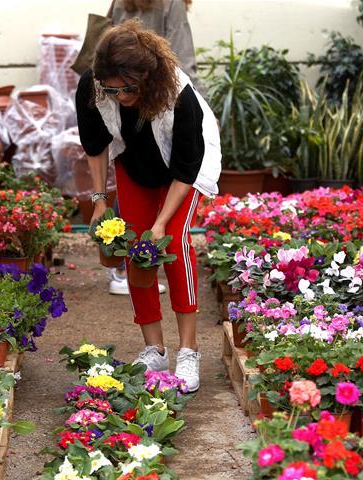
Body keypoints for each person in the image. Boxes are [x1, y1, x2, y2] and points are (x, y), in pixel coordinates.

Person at [76, 20, 221, 392]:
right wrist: (98, 201)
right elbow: (95, 145)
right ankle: (154, 348)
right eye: (113, 88)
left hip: (183, 170)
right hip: (136, 163)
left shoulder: (179, 96)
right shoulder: (94, 87)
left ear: (147, 77)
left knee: (170, 242)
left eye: (129, 89)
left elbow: (186, 169)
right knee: (135, 247)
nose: (120, 96)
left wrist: (161, 222)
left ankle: (189, 351)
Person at [106, 0, 202, 296]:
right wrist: (198, 106)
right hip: (160, 104)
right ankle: (135, 262)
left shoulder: (121, 2)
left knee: (136, 175)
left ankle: (122, 264)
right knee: (165, 181)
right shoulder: (169, 3)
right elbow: (183, 58)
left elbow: (108, 48)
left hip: (124, 103)